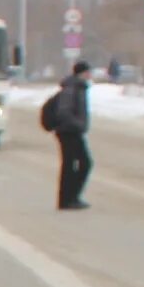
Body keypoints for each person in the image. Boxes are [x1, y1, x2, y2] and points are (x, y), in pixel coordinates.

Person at [44, 58, 94, 210]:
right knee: (79, 164)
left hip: (71, 131)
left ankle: (70, 198)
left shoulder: (78, 87)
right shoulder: (72, 88)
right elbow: (64, 111)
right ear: (82, 73)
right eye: (88, 72)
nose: (90, 75)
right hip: (68, 132)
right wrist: (78, 125)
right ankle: (68, 199)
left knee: (74, 164)